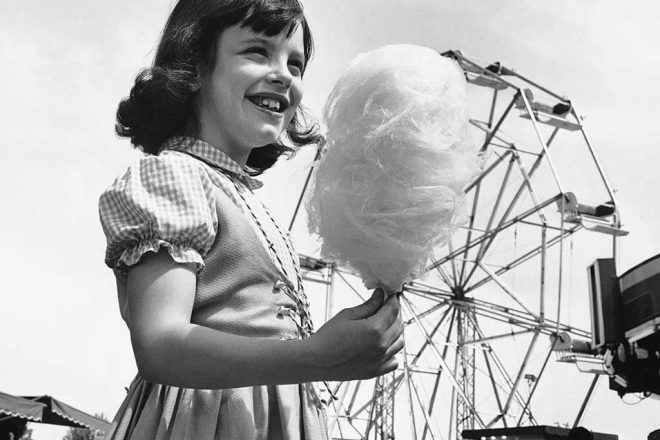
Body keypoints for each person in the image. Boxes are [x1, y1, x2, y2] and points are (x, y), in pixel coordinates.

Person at [98, 0, 405, 439]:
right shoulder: (175, 175)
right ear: (195, 66)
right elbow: (160, 344)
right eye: (258, 52)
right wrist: (316, 356)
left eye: (295, 64)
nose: (284, 75)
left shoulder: (245, 198)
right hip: (203, 422)